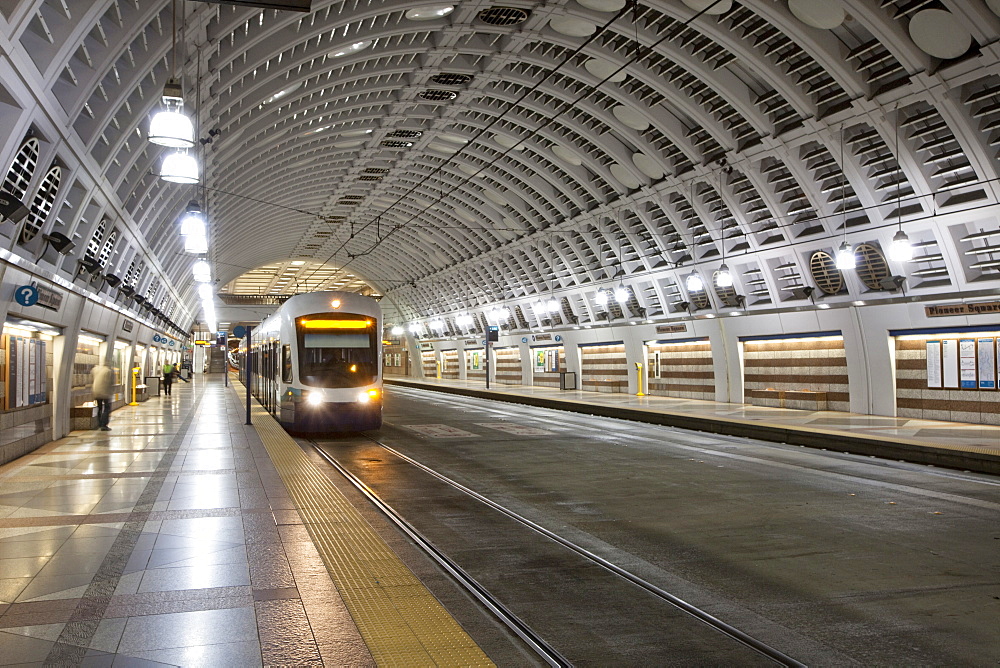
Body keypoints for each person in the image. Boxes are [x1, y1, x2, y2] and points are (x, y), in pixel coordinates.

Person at [91, 363, 113, 431]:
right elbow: (110, 382)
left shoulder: (96, 370)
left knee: (99, 408)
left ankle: (99, 424)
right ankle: (104, 425)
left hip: (96, 391)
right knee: (107, 408)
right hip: (104, 392)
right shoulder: (108, 371)